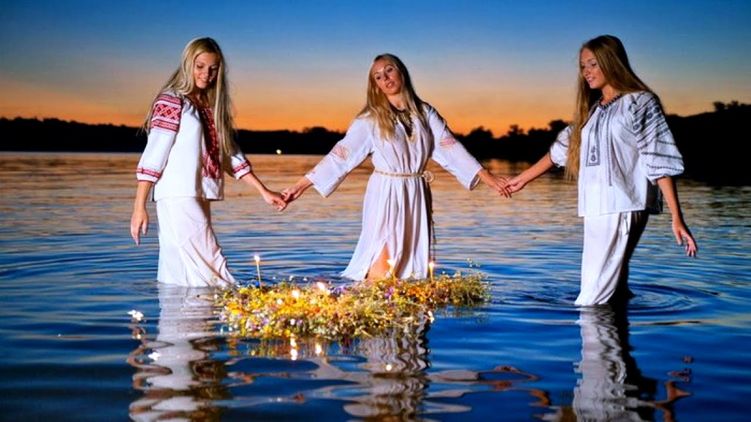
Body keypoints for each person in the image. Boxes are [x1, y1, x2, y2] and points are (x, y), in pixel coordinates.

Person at [282, 53, 510, 281]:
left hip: (416, 191)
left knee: (409, 263)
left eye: (389, 70)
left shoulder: (425, 113)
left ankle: (394, 299)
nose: (385, 78)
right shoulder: (370, 119)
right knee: (384, 253)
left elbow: (450, 147)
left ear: (402, 72)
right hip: (386, 192)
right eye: (378, 76)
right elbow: (340, 156)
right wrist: (298, 187)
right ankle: (365, 292)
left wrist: (488, 178)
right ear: (376, 86)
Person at [508, 35, 697, 306]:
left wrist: (677, 217)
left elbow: (658, 159)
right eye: (583, 66)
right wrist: (520, 180)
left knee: (591, 299)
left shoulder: (640, 102)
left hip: (622, 204)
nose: (586, 72)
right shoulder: (592, 111)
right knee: (611, 288)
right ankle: (616, 330)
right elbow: (560, 151)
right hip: (595, 208)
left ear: (611, 62)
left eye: (593, 64)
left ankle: (595, 333)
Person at [130, 37, 285, 288]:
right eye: (200, 66)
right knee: (212, 264)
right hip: (177, 194)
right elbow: (154, 155)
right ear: (187, 64)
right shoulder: (171, 101)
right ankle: (242, 303)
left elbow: (230, 155)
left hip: (197, 194)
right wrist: (139, 207)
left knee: (181, 273)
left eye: (213, 68)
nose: (207, 74)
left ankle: (185, 312)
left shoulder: (210, 106)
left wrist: (263, 191)